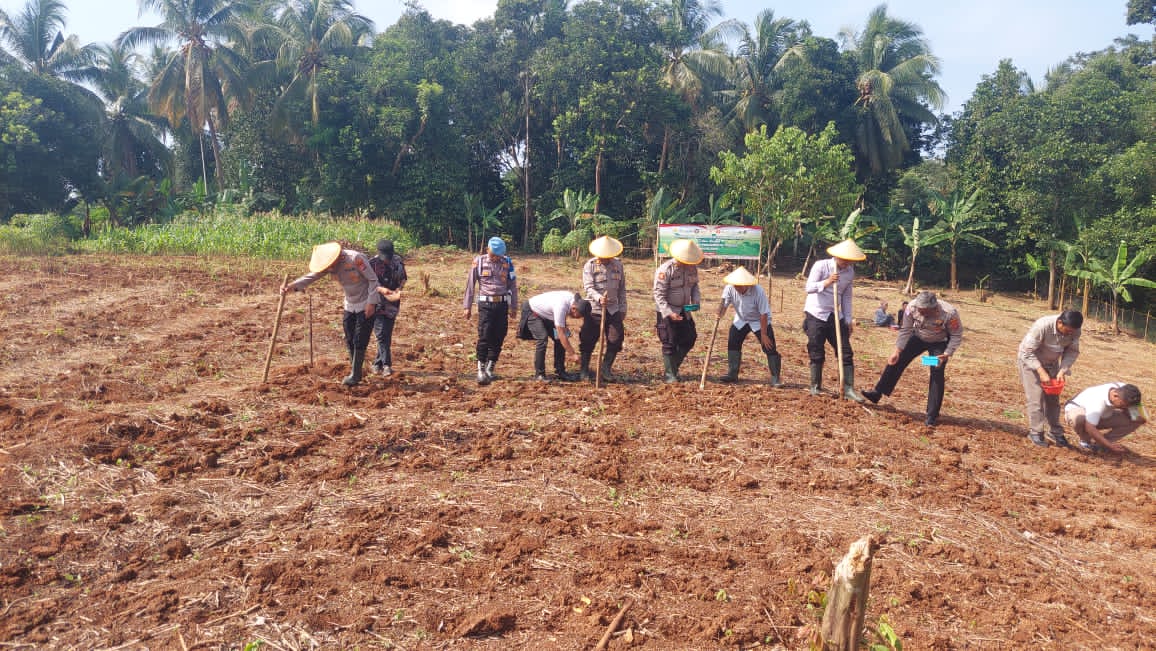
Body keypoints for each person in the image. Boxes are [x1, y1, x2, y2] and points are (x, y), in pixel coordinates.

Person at [281, 241, 379, 386]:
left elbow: (373, 280)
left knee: (360, 338)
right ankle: (356, 370)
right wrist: (293, 286)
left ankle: (355, 375)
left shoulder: (356, 258)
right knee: (349, 337)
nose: (329, 269)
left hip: (365, 302)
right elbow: (312, 276)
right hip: (350, 303)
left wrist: (372, 302)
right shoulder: (330, 265)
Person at [861, 291, 963, 426]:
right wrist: (897, 351)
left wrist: (947, 353)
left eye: (924, 311)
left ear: (933, 308)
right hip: (918, 337)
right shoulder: (911, 307)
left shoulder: (949, 313)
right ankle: (877, 393)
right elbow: (905, 329)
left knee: (936, 371)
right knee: (897, 359)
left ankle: (932, 415)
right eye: (919, 309)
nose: (920, 312)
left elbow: (956, 335)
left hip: (939, 342)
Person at [803, 239, 867, 401]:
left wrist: (848, 319)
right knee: (816, 349)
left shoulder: (849, 272)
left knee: (845, 351)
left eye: (849, 260)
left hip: (834, 315)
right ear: (836, 256)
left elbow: (846, 297)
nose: (846, 263)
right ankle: (815, 386)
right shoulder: (821, 266)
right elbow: (809, 288)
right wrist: (827, 282)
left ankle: (848, 389)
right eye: (844, 259)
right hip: (816, 313)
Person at [1017, 310, 1083, 447]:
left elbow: (1072, 351)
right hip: (1031, 362)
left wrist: (1062, 370)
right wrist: (1040, 371)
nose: (1069, 334)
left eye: (1072, 332)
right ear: (1059, 323)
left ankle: (1055, 432)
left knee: (1053, 399)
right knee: (1036, 398)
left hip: (1052, 364)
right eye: (1067, 331)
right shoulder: (1042, 326)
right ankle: (1036, 432)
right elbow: (1026, 352)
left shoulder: (1074, 330)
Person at [464, 237, 518, 385]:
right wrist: (467, 306)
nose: (496, 258)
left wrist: (514, 306)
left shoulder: (507, 263)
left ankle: (490, 368)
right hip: (485, 305)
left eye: (498, 255)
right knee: (484, 335)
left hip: (502, 305)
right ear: (487, 250)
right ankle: (480, 369)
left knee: (499, 336)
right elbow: (470, 284)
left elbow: (513, 285)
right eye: (493, 255)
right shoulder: (479, 261)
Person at [716, 266, 782, 386]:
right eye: (735, 285)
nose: (737, 288)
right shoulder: (729, 288)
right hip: (741, 319)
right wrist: (720, 313)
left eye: (740, 286)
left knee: (769, 346)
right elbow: (724, 305)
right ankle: (732, 373)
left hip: (759, 320)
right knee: (733, 341)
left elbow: (763, 314)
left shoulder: (758, 291)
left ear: (747, 284)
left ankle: (775, 378)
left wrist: (764, 334)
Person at [654, 239, 704, 382]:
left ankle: (672, 368)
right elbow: (658, 295)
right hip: (667, 310)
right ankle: (670, 375)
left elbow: (695, 286)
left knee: (690, 337)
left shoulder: (692, 268)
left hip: (684, 310)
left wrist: (696, 300)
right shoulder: (665, 270)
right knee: (670, 341)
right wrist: (669, 313)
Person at [579, 235, 627, 381]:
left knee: (616, 339)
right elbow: (588, 287)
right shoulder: (590, 265)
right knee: (587, 340)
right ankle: (584, 370)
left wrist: (623, 307)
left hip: (613, 309)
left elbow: (622, 289)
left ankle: (605, 369)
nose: (605, 259)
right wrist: (599, 298)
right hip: (594, 309)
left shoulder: (618, 265)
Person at [518, 291, 591, 381]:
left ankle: (560, 371)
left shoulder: (573, 301)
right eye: (578, 316)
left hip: (547, 315)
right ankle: (539, 375)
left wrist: (564, 330)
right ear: (574, 309)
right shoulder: (561, 306)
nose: (577, 318)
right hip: (532, 311)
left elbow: (561, 328)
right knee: (543, 338)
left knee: (560, 338)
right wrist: (572, 354)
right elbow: (561, 334)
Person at [1064, 382, 1147, 454]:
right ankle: (1086, 442)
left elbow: (1142, 417)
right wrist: (1110, 446)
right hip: (1079, 411)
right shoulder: (1097, 401)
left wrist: (1135, 415)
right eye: (1123, 405)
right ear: (1115, 396)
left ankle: (1100, 444)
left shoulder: (1127, 391)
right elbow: (1090, 427)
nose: (1125, 408)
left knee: (1136, 420)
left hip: (1102, 415)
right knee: (1078, 419)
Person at [369, 239, 407, 377]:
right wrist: (381, 289)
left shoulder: (398, 261)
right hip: (377, 302)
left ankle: (377, 363)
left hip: (392, 302)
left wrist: (398, 290)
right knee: (380, 334)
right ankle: (386, 365)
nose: (387, 260)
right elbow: (368, 283)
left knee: (387, 334)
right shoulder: (371, 264)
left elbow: (403, 279)